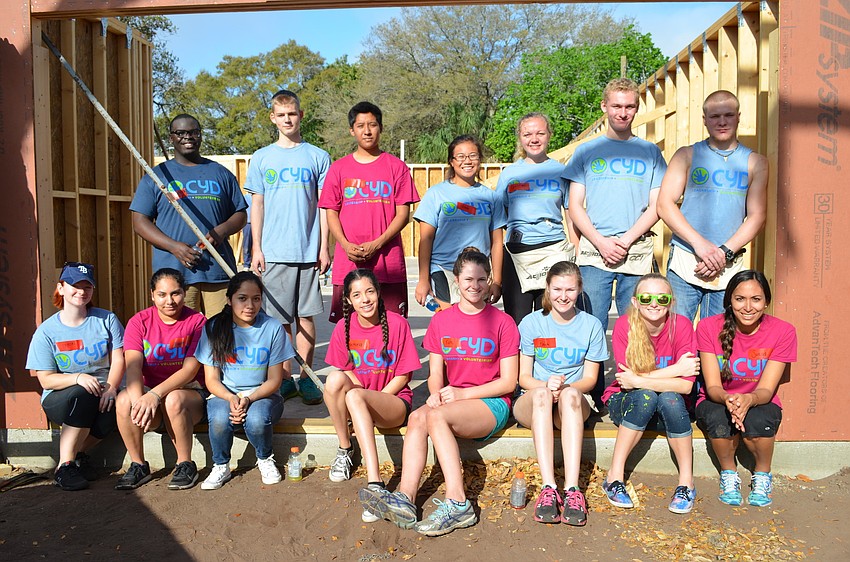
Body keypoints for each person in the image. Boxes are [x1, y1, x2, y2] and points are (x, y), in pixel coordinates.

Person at [359, 248, 520, 537]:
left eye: (482, 279)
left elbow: (508, 382)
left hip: (491, 402)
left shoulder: (502, 322)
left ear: (489, 281)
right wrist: (435, 394)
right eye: (469, 279)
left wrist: (459, 395)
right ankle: (405, 500)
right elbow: (435, 376)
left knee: (435, 418)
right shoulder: (442, 321)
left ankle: (458, 503)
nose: (475, 286)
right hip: (453, 400)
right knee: (420, 416)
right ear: (456, 280)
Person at [566, 78, 668, 403]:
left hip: (635, 251)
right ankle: (590, 395)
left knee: (636, 325)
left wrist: (624, 239)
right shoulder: (587, 151)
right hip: (595, 254)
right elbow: (574, 205)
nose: (623, 113)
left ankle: (630, 394)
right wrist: (599, 241)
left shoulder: (650, 152)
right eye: (616, 106)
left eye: (629, 106)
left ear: (637, 108)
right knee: (591, 323)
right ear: (604, 107)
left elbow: (658, 206)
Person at [246, 89, 331, 406]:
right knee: (279, 320)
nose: (287, 119)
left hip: (308, 251)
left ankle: (306, 375)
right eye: (281, 115)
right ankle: (282, 378)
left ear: (300, 115)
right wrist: (256, 248)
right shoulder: (262, 157)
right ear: (273, 118)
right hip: (274, 252)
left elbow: (324, 207)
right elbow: (258, 205)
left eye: (292, 114)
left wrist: (324, 247)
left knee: (306, 317)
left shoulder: (317, 156)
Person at [657, 90, 768, 320]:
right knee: (676, 334)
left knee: (718, 341)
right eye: (715, 116)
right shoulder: (686, 156)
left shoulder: (755, 162)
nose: (722, 122)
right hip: (686, 260)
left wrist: (723, 252)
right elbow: (665, 204)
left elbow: (757, 215)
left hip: (727, 264)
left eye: (728, 115)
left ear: (738, 116)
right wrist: (700, 245)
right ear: (704, 120)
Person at [514, 261, 608, 526]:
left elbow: (590, 379)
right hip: (535, 400)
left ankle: (573, 489)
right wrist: (546, 387)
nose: (563, 296)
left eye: (570, 289)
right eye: (557, 289)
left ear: (579, 290)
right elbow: (523, 377)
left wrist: (566, 388)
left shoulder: (591, 325)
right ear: (547, 288)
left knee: (568, 396)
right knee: (544, 395)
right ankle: (547, 487)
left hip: (573, 401)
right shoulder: (532, 323)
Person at [323, 269, 421, 521]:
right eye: (357, 295)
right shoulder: (343, 328)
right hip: (360, 400)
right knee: (333, 379)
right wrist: (362, 401)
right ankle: (345, 448)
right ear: (348, 300)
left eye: (369, 292)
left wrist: (370, 399)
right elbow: (345, 371)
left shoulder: (398, 323)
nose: (365, 299)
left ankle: (375, 484)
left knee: (356, 398)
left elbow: (403, 376)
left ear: (378, 293)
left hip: (393, 402)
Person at [600, 273, 700, 514]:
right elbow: (626, 382)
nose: (654, 304)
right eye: (646, 298)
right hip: (628, 402)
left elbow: (686, 387)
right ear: (635, 302)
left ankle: (686, 483)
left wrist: (640, 378)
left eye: (662, 298)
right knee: (646, 396)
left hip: (670, 405)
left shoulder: (682, 326)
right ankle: (614, 477)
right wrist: (676, 370)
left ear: (671, 302)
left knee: (670, 397)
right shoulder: (626, 325)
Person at [695, 270, 796, 507]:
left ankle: (762, 473)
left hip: (759, 397)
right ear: (729, 301)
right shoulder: (709, 327)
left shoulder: (783, 331)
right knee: (719, 419)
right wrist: (730, 399)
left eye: (756, 299)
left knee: (760, 421)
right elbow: (712, 386)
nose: (748, 307)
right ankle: (728, 472)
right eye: (740, 299)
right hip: (719, 397)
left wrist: (748, 399)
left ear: (766, 302)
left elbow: (766, 390)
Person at [130, 113, 247, 317]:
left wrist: (222, 230)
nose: (188, 137)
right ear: (171, 138)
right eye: (181, 133)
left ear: (201, 136)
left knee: (222, 333)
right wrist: (174, 247)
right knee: (181, 337)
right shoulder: (157, 176)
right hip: (175, 274)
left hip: (217, 271)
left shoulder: (220, 173)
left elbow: (240, 214)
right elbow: (139, 222)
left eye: (193, 132)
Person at [26, 262, 125, 491]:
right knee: (84, 393)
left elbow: (119, 358)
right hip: (61, 397)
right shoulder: (46, 332)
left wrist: (111, 388)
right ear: (61, 288)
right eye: (74, 286)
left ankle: (78, 454)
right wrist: (78, 378)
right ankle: (65, 466)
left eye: (87, 287)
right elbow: (46, 380)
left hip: (102, 390)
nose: (81, 292)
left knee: (115, 406)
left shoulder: (107, 319)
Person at [318, 101, 420, 323]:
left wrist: (377, 243)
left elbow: (403, 214)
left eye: (372, 124)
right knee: (348, 331)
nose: (367, 130)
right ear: (351, 130)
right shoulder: (338, 169)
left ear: (381, 128)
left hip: (387, 264)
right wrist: (344, 245)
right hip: (349, 264)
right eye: (360, 125)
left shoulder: (396, 167)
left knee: (392, 328)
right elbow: (331, 212)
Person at [194, 271, 296, 490]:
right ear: (229, 300)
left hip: (263, 394)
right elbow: (211, 379)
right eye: (242, 298)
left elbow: (274, 380)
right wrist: (231, 397)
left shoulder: (272, 328)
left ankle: (265, 458)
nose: (250, 305)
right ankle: (221, 464)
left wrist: (248, 399)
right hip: (224, 393)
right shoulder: (214, 327)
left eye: (256, 298)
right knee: (220, 419)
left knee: (257, 419)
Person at [114, 268, 207, 490]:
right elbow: (133, 365)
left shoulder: (198, 322)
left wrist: (155, 395)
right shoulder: (139, 321)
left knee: (173, 398)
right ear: (152, 295)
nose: (170, 301)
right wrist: (140, 402)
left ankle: (185, 463)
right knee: (123, 401)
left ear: (185, 293)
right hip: (150, 393)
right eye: (162, 294)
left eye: (176, 293)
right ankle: (138, 464)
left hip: (189, 391)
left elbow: (190, 370)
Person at [496, 113, 576, 325]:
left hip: (553, 250)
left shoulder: (562, 172)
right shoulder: (509, 174)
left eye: (540, 133)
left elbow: (572, 215)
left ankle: (545, 359)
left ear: (549, 135)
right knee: (517, 321)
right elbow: (499, 218)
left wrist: (575, 255)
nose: (534, 139)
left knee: (549, 319)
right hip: (517, 251)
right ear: (520, 138)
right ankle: (519, 359)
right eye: (527, 134)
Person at [414, 135, 506, 307]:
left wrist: (497, 281)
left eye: (473, 155)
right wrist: (423, 280)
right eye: (461, 156)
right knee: (450, 323)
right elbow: (426, 240)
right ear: (451, 161)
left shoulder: (491, 197)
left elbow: (497, 242)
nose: (468, 161)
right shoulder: (436, 194)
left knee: (475, 325)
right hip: (443, 270)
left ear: (479, 159)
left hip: (477, 273)